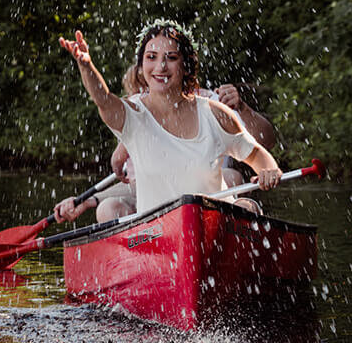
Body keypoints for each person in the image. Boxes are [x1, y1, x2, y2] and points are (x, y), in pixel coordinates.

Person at [56, 22, 281, 224]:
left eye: (171, 58)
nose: (161, 66)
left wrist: (269, 170)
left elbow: (258, 155)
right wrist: (86, 66)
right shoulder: (132, 115)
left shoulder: (215, 113)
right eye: (151, 57)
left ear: (186, 66)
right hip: (155, 235)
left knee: (246, 207)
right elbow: (103, 99)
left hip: (216, 227)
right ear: (141, 67)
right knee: (109, 210)